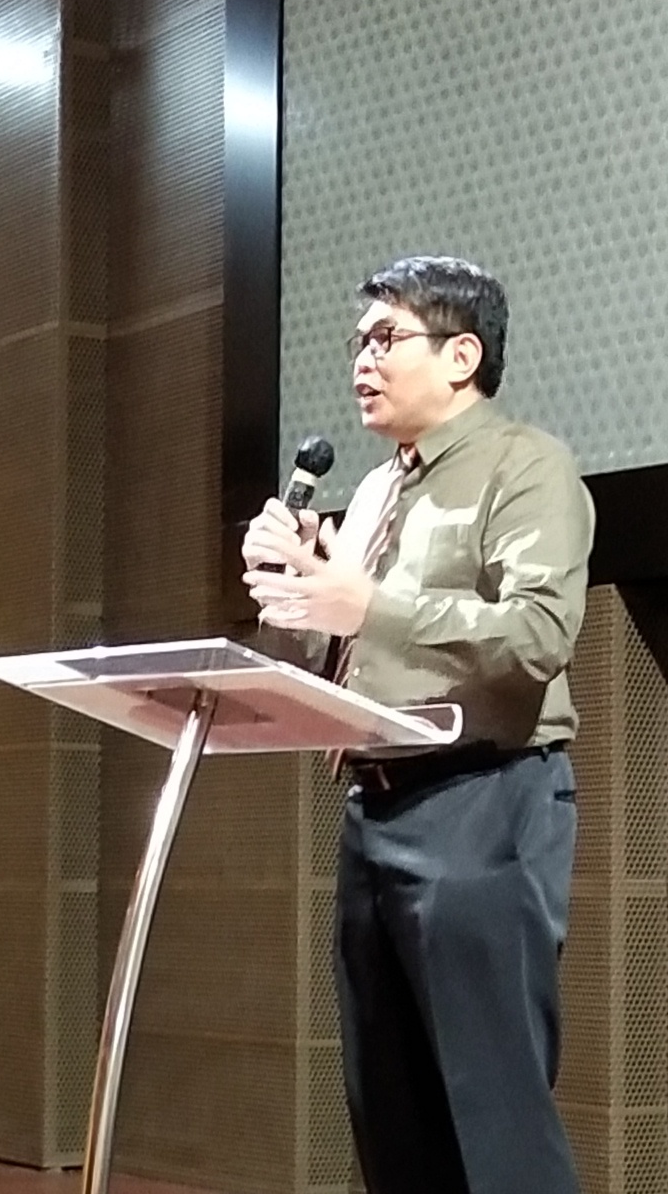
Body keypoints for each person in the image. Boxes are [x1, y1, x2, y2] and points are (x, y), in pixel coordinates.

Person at [242, 255, 594, 1194]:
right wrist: (296, 588)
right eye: (357, 342)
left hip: (485, 801)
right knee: (390, 1119)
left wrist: (368, 602)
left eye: (386, 338)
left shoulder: (526, 465)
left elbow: (539, 635)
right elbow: (338, 654)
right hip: (374, 809)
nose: (361, 361)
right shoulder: (372, 494)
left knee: (495, 1122)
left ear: (462, 355)